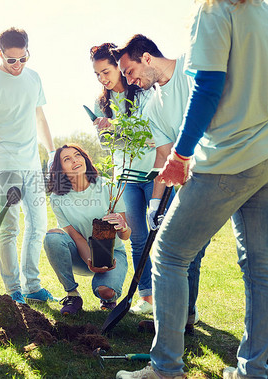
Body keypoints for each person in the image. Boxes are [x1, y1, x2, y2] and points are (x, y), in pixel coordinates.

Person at [116, 1, 268, 378]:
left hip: (230, 157)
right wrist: (266, 104)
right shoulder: (266, 12)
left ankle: (165, 369)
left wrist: (181, 153)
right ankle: (251, 371)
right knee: (260, 268)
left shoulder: (212, 12)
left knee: (169, 255)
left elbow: (207, 87)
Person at [111, 35, 210, 333]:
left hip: (224, 166)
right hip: (193, 183)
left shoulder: (190, 67)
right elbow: (164, 157)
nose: (129, 79)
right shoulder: (154, 106)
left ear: (147, 58)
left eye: (129, 71)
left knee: (192, 250)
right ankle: (182, 319)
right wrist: (155, 203)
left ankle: (178, 320)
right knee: (183, 251)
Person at [0, 27, 56, 305]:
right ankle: (13, 290)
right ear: (0, 54)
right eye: (12, 60)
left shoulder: (34, 78)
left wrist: (52, 152)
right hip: (3, 165)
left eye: (23, 59)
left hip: (32, 164)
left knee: (38, 224)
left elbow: (40, 118)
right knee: (10, 228)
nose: (18, 65)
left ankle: (32, 285)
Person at [89, 42, 157, 315]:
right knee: (138, 238)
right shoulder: (101, 103)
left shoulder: (143, 92)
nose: (103, 78)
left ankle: (180, 301)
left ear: (119, 66)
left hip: (154, 173)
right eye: (97, 74)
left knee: (162, 238)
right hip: (126, 176)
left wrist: (116, 127)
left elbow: (150, 135)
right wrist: (104, 130)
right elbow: (109, 146)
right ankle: (148, 298)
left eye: (106, 71)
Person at [44, 144, 130, 314]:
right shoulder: (57, 198)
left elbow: (125, 236)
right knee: (52, 237)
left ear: (85, 158)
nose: (75, 160)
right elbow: (75, 237)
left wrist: (123, 226)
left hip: (113, 254)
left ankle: (107, 299)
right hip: (81, 255)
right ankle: (72, 295)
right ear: (60, 170)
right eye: (67, 159)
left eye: (77, 155)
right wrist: (92, 262)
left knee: (105, 291)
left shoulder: (108, 186)